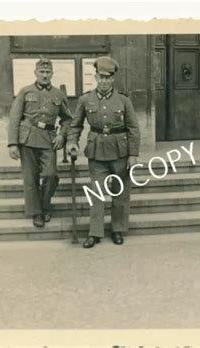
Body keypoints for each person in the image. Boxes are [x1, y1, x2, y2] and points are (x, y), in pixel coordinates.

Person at [67, 56, 140, 248]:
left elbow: (133, 128)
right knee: (97, 193)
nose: (105, 81)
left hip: (120, 152)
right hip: (97, 152)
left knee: (120, 193)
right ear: (96, 77)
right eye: (101, 77)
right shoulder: (85, 99)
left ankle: (117, 229)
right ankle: (95, 232)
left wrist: (133, 155)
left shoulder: (123, 100)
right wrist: (72, 142)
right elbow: (75, 125)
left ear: (113, 79)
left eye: (108, 78)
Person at [8, 57, 72, 227]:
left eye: (48, 72)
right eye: (41, 72)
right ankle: (37, 213)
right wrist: (12, 143)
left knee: (51, 175)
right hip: (27, 138)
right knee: (31, 178)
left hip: (49, 139)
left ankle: (45, 206)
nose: (44, 75)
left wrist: (61, 136)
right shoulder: (25, 91)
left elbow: (67, 120)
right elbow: (14, 118)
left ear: (52, 73)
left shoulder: (58, 94)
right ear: (35, 73)